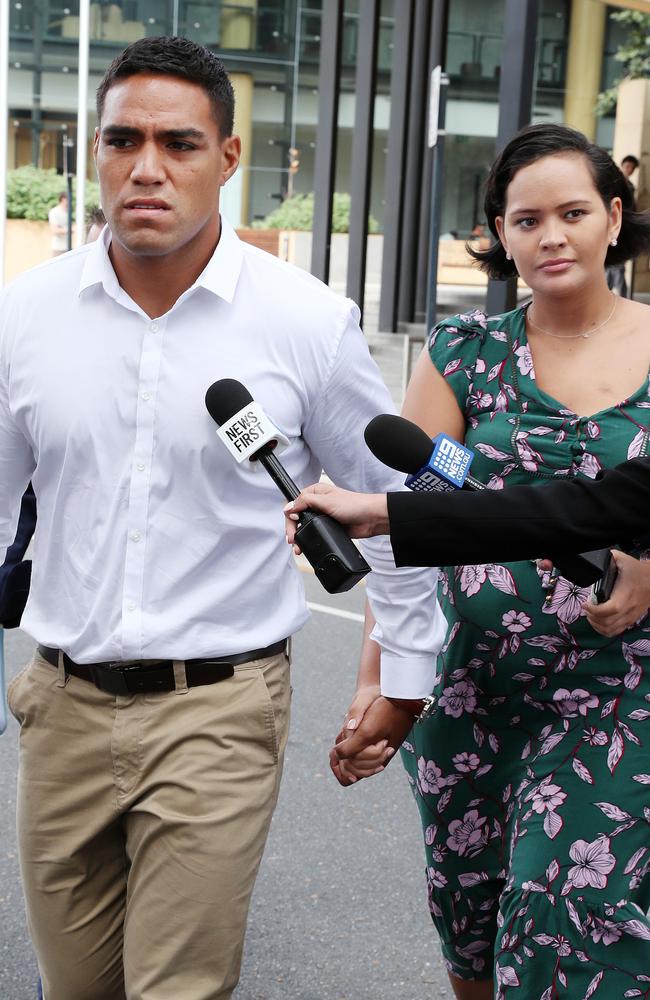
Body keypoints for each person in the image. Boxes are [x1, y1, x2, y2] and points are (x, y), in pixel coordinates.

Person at [0, 36, 444, 1000]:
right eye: (122, 140)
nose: (146, 167)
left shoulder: (306, 321)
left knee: (179, 988)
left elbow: (389, 505)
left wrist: (404, 675)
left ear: (228, 159)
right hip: (61, 705)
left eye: (179, 143)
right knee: (73, 987)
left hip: (220, 708)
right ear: (96, 150)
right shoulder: (24, 316)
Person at [292, 124, 650, 999]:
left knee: (571, 902)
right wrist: (381, 679)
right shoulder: (462, 354)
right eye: (526, 220)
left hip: (619, 685)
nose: (551, 236)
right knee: (475, 918)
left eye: (572, 213)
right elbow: (412, 534)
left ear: (613, 217)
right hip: (475, 684)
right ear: (499, 234)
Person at [606, 153, 639, 296]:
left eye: (632, 168)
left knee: (616, 265)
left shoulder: (630, 186)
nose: (629, 170)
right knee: (613, 265)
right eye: (627, 166)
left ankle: (619, 297)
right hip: (613, 227)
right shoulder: (616, 183)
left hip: (623, 229)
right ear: (622, 166)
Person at [48, 191, 70, 256]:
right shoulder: (54, 212)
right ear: (63, 199)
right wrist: (69, 230)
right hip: (58, 249)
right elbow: (54, 230)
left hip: (68, 248)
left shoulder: (67, 212)